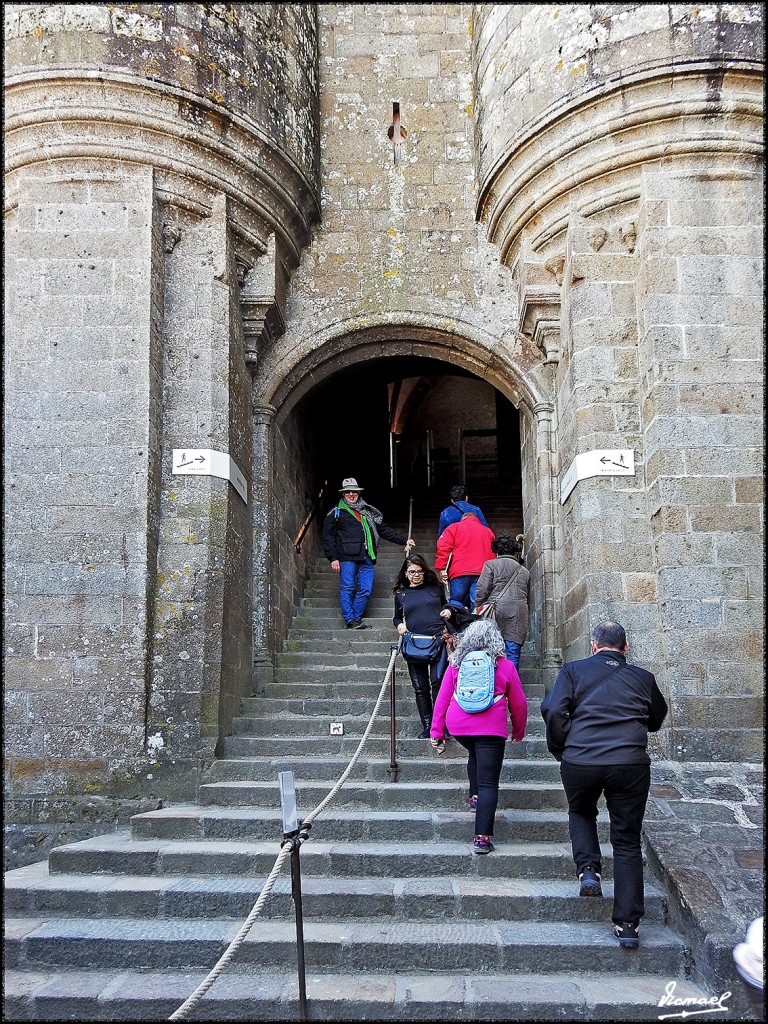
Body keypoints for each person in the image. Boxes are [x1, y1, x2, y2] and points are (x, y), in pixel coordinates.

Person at [540, 620, 668, 949]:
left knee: (581, 811)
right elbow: (656, 719)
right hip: (629, 763)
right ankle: (627, 924)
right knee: (626, 840)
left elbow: (554, 710)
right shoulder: (644, 678)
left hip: (581, 760)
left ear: (593, 646)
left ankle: (587, 869)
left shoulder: (572, 671)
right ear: (625, 648)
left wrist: (561, 748)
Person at [430, 619, 527, 854]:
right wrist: (518, 731)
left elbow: (442, 698)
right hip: (490, 728)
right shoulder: (503, 665)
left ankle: (475, 797)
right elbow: (519, 704)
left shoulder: (456, 664)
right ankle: (482, 838)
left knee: (474, 752)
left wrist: (436, 731)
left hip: (459, 726)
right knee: (489, 783)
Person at [322, 477, 414, 630]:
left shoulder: (366, 512)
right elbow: (328, 537)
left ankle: (355, 618)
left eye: (354, 492)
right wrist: (333, 558)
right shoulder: (336, 512)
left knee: (365, 588)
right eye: (348, 492)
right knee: (348, 588)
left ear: (358, 493)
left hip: (366, 556)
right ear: (343, 494)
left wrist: (404, 540)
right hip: (346, 557)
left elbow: (382, 529)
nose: (351, 495)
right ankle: (350, 620)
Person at [393, 554, 450, 738]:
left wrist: (449, 611)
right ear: (405, 573)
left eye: (419, 571)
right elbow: (396, 617)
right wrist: (399, 625)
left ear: (425, 572)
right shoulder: (401, 595)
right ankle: (428, 725)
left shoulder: (436, 588)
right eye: (412, 572)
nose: (416, 575)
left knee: (439, 681)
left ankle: (442, 724)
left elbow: (446, 606)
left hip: (438, 640)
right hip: (414, 643)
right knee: (420, 687)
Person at [475, 536, 530, 669]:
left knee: (490, 648)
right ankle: (511, 687)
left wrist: (478, 605)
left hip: (495, 609)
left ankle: (492, 684)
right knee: (512, 652)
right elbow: (527, 595)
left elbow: (482, 589)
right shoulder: (524, 571)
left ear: (497, 551)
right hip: (518, 611)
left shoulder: (490, 564)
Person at [434, 511, 495, 611]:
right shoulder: (488, 531)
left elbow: (443, 548)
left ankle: (458, 624)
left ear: (463, 518)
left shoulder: (453, 528)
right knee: (478, 605)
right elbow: (494, 552)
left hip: (459, 573)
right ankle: (477, 625)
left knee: (456, 601)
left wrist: (441, 569)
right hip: (483, 573)